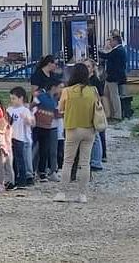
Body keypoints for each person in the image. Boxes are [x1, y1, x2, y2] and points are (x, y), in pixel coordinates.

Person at [53, 63, 99, 204]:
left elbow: (60, 109)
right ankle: (82, 194)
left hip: (72, 127)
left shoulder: (67, 91)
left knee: (68, 161)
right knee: (85, 163)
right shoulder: (93, 90)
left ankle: (62, 192)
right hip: (89, 128)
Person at [31, 81, 61, 182]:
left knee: (44, 150)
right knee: (35, 149)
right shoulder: (41, 96)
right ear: (53, 87)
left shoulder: (54, 99)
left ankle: (42, 172)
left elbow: (56, 113)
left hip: (48, 127)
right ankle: (32, 171)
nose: (60, 90)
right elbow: (32, 106)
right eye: (59, 87)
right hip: (38, 126)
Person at [7, 87, 34, 188]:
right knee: (12, 159)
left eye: (14, 98)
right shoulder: (9, 110)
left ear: (21, 98)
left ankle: (23, 179)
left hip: (20, 137)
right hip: (10, 137)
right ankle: (13, 178)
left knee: (21, 159)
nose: (12, 101)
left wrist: (26, 119)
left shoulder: (25, 110)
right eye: (11, 98)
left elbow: (30, 123)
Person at [98, 35, 127, 121]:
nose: (110, 43)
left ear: (116, 41)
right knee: (106, 95)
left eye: (111, 41)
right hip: (110, 77)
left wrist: (96, 51)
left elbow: (106, 56)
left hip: (113, 77)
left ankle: (117, 115)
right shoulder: (120, 49)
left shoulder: (117, 50)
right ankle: (109, 113)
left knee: (114, 96)